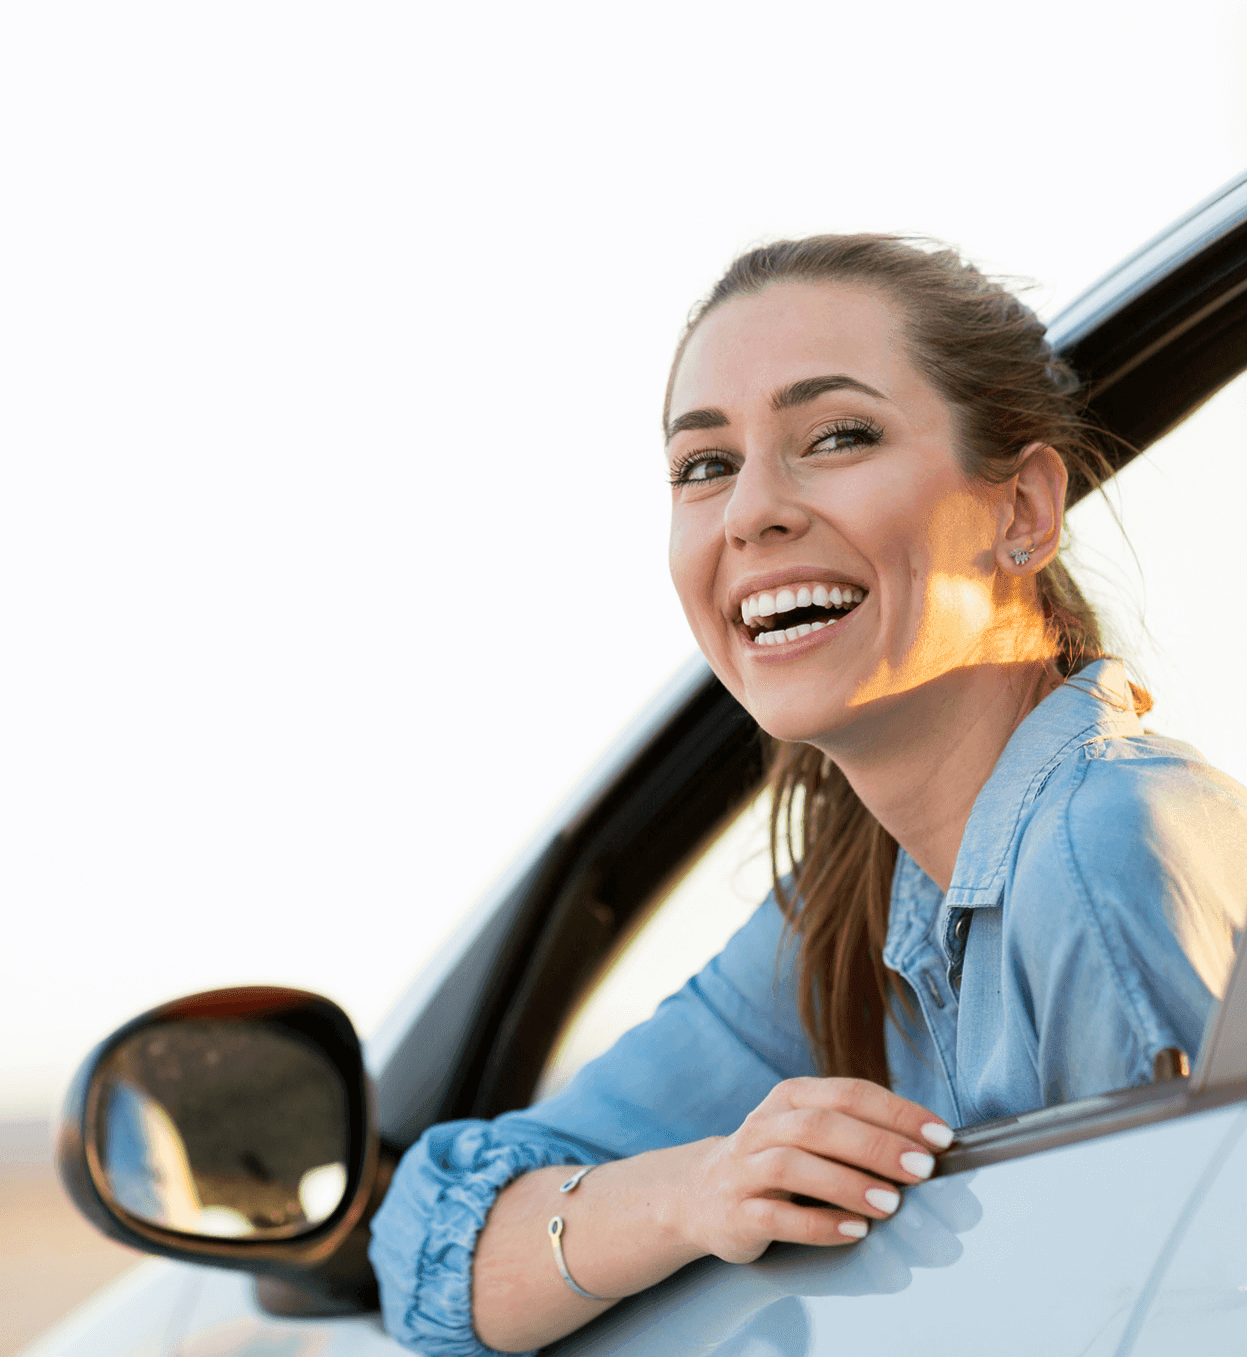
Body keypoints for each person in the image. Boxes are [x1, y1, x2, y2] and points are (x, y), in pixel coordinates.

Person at [370, 236, 1247, 1356]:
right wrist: (695, 1190)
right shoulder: (854, 902)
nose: (750, 512)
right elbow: (428, 1250)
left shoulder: (1104, 843)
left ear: (1021, 508)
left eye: (836, 437)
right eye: (703, 466)